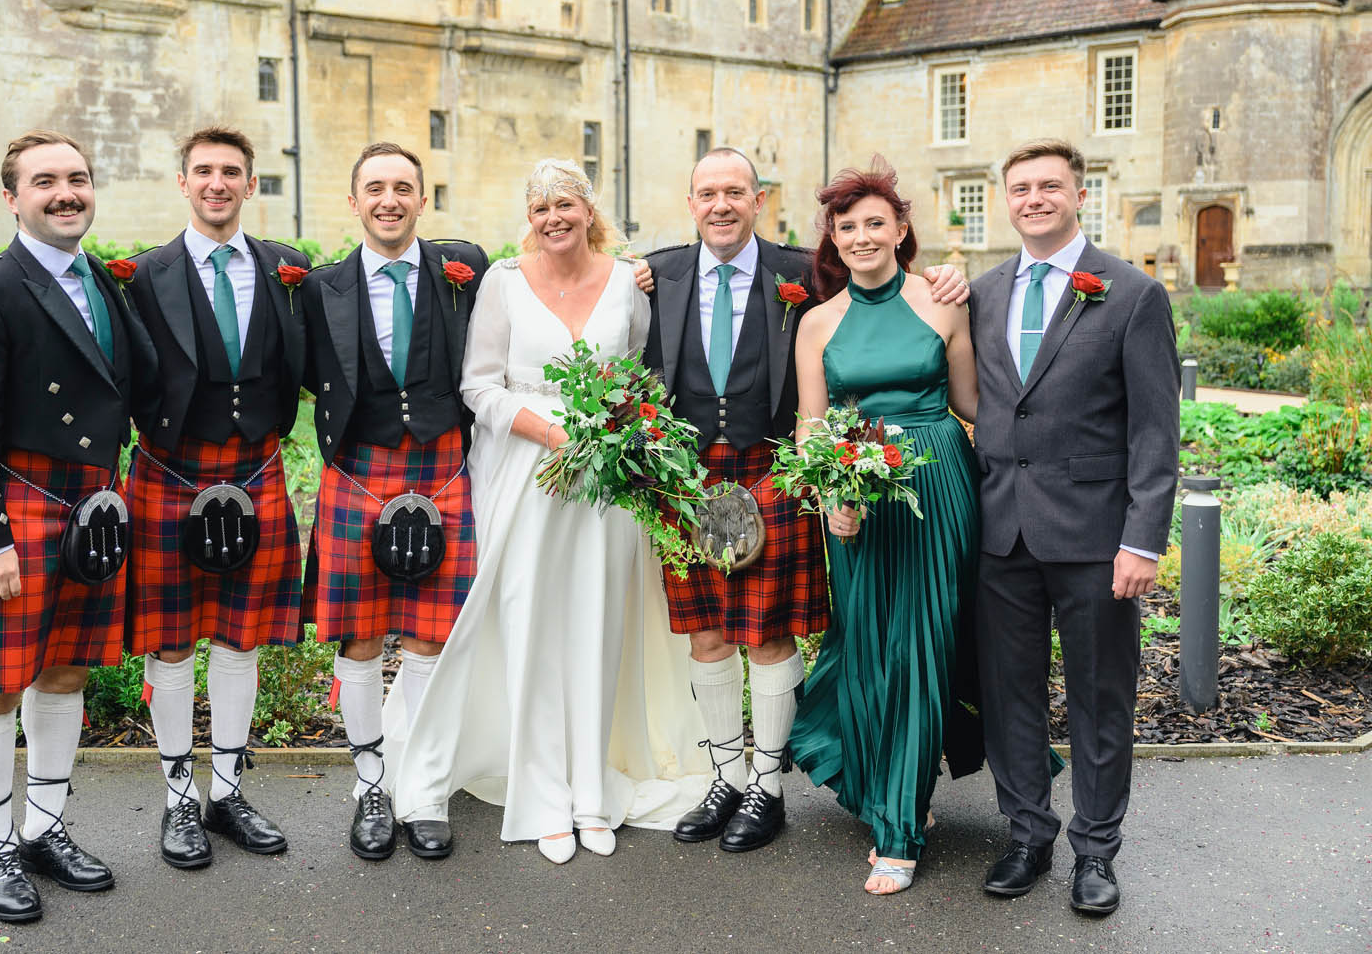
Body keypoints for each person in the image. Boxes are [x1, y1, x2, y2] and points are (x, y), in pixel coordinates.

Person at [644, 148, 970, 854]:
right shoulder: (656, 274)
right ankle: (726, 776)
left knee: (766, 631)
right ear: (690, 201)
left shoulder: (803, 272)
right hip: (687, 476)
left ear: (759, 199)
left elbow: (887, 284)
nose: (721, 204)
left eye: (735, 191)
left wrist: (949, 272)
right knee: (706, 632)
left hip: (772, 467)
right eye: (707, 193)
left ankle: (768, 783)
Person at [393, 159, 710, 864]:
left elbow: (644, 379)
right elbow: (478, 385)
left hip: (607, 483)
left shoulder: (630, 281)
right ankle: (541, 797)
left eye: (564, 203)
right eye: (540, 208)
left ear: (587, 208)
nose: (552, 218)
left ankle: (592, 790)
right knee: (531, 623)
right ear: (528, 217)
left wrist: (616, 429)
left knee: (598, 623)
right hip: (525, 475)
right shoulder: (503, 281)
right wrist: (549, 431)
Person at [0, 130, 157, 922]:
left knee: (64, 675)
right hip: (16, 512)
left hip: (89, 513)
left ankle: (44, 829)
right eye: (45, 180)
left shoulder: (106, 284)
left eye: (78, 179)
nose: (66, 192)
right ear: (12, 196)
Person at [969, 139, 1178, 915]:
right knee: (1010, 694)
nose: (1033, 197)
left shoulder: (1130, 294)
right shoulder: (985, 293)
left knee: (1100, 697)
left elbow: (1156, 429)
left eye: (1048, 185)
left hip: (1097, 538)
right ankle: (1027, 833)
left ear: (1079, 193)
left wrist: (1142, 538)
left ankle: (1097, 850)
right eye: (1020, 187)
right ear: (1007, 199)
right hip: (1002, 534)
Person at [785, 161, 980, 895]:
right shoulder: (817, 323)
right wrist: (829, 496)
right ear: (833, 239)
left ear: (901, 229)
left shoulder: (945, 302)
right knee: (869, 646)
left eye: (876, 222)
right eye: (848, 226)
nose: (863, 236)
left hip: (936, 483)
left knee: (924, 645)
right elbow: (809, 431)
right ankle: (888, 786)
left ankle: (901, 825)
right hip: (858, 496)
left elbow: (972, 404)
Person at [122, 126, 310, 870]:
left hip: (257, 468)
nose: (217, 183)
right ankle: (177, 801)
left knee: (241, 636)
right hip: (171, 470)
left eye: (231, 171)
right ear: (182, 181)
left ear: (249, 185)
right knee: (172, 640)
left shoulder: (287, 267)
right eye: (203, 170)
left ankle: (226, 792)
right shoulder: (139, 274)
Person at [300, 141, 487, 862]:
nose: (389, 199)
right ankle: (372, 784)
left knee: (431, 639)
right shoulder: (319, 288)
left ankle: (426, 787)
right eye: (375, 187)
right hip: (358, 471)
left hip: (442, 468)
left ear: (422, 199)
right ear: (354, 202)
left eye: (403, 187)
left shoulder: (463, 271)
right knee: (359, 636)